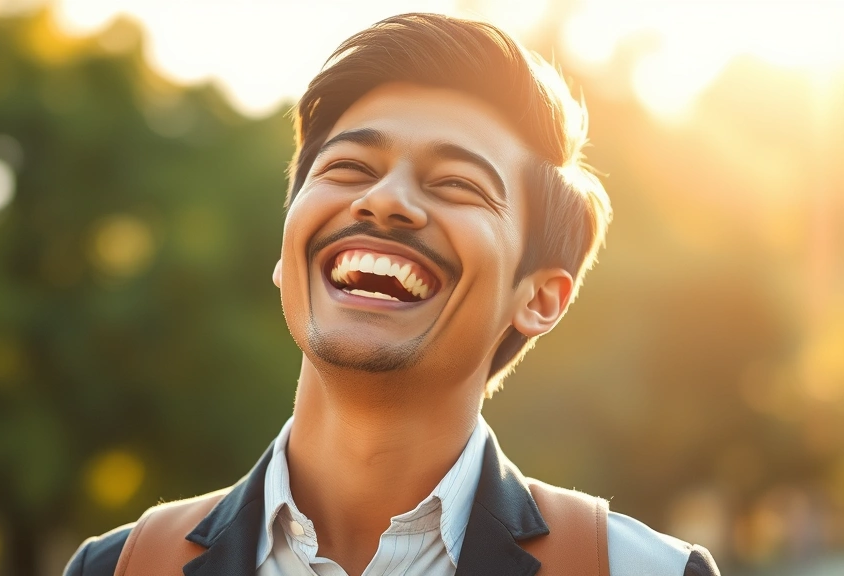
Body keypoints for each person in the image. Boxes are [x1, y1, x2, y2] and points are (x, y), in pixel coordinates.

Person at [65, 13, 720, 576]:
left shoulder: (646, 571)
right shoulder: (121, 567)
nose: (383, 200)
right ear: (286, 250)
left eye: (457, 184)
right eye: (349, 168)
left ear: (540, 298)